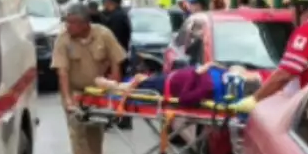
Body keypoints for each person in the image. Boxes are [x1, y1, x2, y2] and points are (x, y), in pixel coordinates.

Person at [51, 2, 128, 154]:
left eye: (73, 23)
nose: (69, 26)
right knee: (77, 129)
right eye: (67, 22)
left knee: (96, 127)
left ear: (85, 24)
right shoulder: (63, 39)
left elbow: (116, 60)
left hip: (97, 90)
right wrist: (68, 100)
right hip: (75, 90)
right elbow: (62, 71)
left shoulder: (103, 34)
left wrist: (115, 89)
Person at [94, 62, 262, 107]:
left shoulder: (213, 87)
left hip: (166, 86)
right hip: (170, 78)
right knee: (139, 80)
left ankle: (111, 85)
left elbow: (184, 98)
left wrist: (196, 73)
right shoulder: (221, 74)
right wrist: (207, 67)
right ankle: (112, 84)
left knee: (137, 83)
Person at [101, 0, 134, 129]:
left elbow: (113, 40)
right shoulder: (121, 16)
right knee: (118, 88)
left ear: (110, 2)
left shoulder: (117, 18)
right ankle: (121, 116)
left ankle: (117, 116)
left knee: (115, 87)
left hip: (116, 58)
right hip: (121, 56)